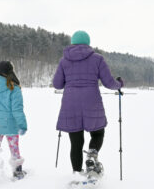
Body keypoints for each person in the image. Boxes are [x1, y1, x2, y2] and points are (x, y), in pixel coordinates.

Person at [53, 30, 123, 179]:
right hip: (92, 101)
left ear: (72, 42)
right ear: (88, 43)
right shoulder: (97, 59)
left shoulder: (64, 61)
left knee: (75, 142)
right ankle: (92, 155)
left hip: (70, 103)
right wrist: (120, 84)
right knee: (98, 133)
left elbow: (57, 84)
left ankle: (77, 174)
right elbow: (109, 83)